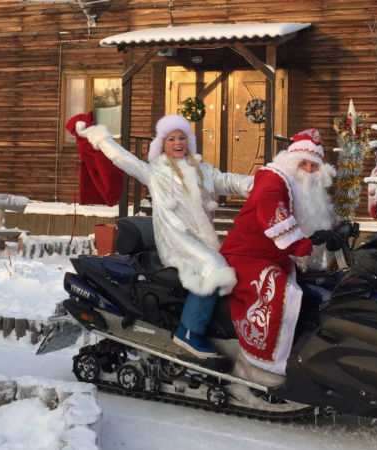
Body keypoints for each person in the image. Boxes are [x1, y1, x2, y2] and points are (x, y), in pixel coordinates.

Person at [75, 114, 253, 361]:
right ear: (163, 143)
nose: (178, 143)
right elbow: (121, 158)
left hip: (201, 243)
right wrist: (99, 137)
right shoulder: (155, 173)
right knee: (212, 267)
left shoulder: (203, 172)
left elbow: (232, 182)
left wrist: (264, 182)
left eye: (182, 138)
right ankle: (188, 332)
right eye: (172, 139)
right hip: (175, 242)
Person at [220, 128, 335, 387]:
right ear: (290, 161)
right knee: (275, 290)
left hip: (274, 254)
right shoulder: (274, 178)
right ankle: (255, 366)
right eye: (302, 163)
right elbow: (268, 203)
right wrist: (296, 242)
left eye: (313, 165)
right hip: (246, 254)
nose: (307, 169)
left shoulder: (304, 189)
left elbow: (314, 219)